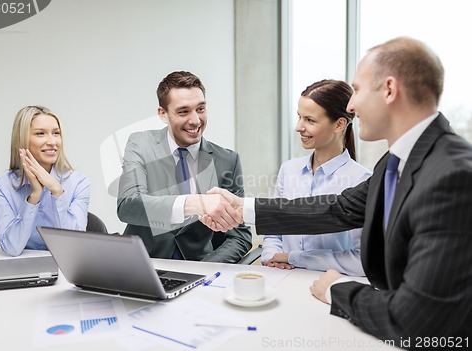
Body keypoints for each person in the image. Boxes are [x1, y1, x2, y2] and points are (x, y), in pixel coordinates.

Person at [200, 37, 472, 345]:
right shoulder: (394, 162)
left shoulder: (454, 175)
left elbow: (412, 319)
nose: (352, 104)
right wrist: (242, 209)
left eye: (357, 89)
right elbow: (338, 209)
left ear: (390, 90)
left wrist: (335, 287)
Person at [117, 71, 252, 262]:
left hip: (199, 268)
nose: (195, 120)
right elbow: (128, 206)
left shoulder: (227, 160)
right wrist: (194, 203)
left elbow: (239, 236)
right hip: (143, 264)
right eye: (183, 111)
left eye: (200, 109)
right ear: (162, 114)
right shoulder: (141, 144)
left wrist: (206, 269)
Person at [261, 80, 370, 276]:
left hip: (329, 284)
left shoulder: (362, 180)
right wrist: (272, 256)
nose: (298, 127)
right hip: (281, 277)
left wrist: (294, 258)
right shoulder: (289, 170)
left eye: (310, 120)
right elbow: (273, 231)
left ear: (339, 124)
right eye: (299, 117)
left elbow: (361, 259)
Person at [0, 105, 90, 256]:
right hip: (23, 269)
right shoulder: (2, 185)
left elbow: (75, 246)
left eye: (56, 133)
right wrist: (34, 196)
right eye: (40, 133)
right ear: (22, 139)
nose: (52, 141)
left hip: (66, 269)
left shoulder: (78, 183)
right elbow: (12, 247)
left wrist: (56, 191)